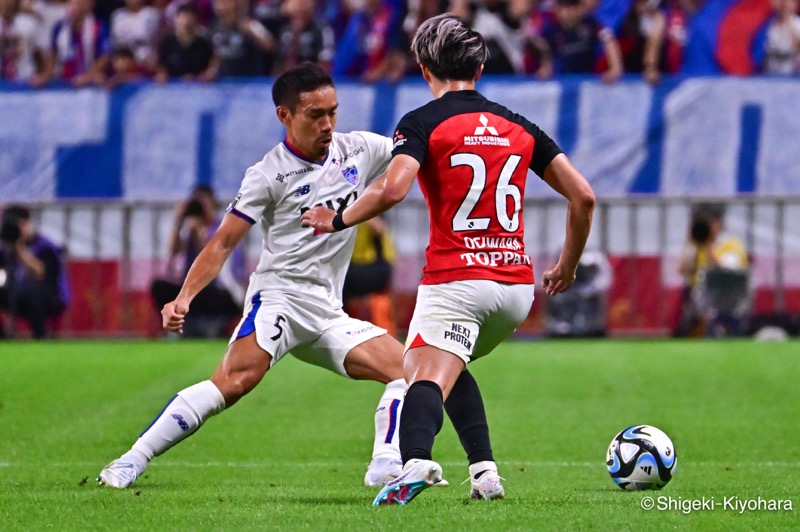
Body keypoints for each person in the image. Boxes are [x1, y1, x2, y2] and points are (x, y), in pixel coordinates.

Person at [302, 13, 595, 505]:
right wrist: (567, 265)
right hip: (516, 290)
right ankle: (484, 473)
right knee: (452, 362)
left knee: (419, 369)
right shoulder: (517, 125)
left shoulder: (421, 122)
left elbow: (393, 189)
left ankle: (414, 461)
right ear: (478, 70)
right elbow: (583, 196)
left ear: (424, 68)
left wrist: (336, 219)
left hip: (457, 277)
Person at [96, 63, 410, 490]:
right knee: (235, 381)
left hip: (326, 311)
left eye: (333, 112)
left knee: (409, 371)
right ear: (284, 115)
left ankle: (385, 465)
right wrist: (183, 297)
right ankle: (131, 459)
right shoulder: (268, 174)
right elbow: (222, 243)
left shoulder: (359, 149)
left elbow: (415, 156)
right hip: (279, 298)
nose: (328, 124)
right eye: (315, 115)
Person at [149, 185, 244, 338]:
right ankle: (177, 327)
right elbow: (173, 252)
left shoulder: (223, 227)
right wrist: (178, 221)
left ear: (213, 204)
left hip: (221, 290)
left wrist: (199, 234)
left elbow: (213, 259)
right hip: (194, 289)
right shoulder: (189, 227)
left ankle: (214, 327)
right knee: (160, 286)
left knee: (203, 290)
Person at [675, 204, 749, 337]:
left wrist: (709, 246)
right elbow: (681, 269)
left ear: (718, 224)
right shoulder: (697, 245)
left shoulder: (731, 244)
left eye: (708, 223)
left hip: (726, 298)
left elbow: (726, 271)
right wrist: (689, 244)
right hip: (698, 296)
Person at [0, 204, 69, 339]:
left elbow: (39, 273)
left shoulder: (43, 245)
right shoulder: (5, 249)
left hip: (50, 296)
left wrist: (19, 248)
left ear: (27, 224)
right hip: (17, 294)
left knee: (33, 291)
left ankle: (41, 335)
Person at [343, 216, 397, 337]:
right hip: (351, 264)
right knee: (348, 305)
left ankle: (387, 337)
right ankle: (351, 337)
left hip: (374, 264)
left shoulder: (374, 206)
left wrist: (360, 212)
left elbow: (380, 229)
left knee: (378, 303)